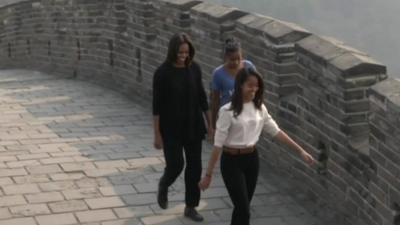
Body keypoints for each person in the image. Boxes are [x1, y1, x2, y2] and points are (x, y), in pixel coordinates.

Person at [199, 67, 315, 225]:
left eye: (257, 85)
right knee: (244, 209)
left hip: (251, 160)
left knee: (242, 207)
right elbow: (217, 145)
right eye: (250, 85)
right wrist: (208, 175)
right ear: (240, 85)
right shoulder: (227, 111)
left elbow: (277, 132)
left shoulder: (260, 108)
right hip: (231, 162)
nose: (254, 89)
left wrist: (300, 151)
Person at [152, 33, 212, 222]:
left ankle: (191, 206)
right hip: (171, 129)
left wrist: (211, 125)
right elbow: (156, 106)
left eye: (186, 52)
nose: (183, 55)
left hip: (194, 125)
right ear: (172, 51)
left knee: (195, 168)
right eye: (180, 52)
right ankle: (164, 183)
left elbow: (203, 99)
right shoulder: (162, 73)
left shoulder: (194, 69)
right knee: (176, 165)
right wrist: (157, 134)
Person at [210, 37, 256, 130]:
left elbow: (257, 89)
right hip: (228, 117)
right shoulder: (218, 74)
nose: (236, 62)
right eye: (232, 59)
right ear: (225, 57)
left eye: (238, 58)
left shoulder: (248, 67)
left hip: (247, 114)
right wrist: (213, 125)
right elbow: (215, 100)